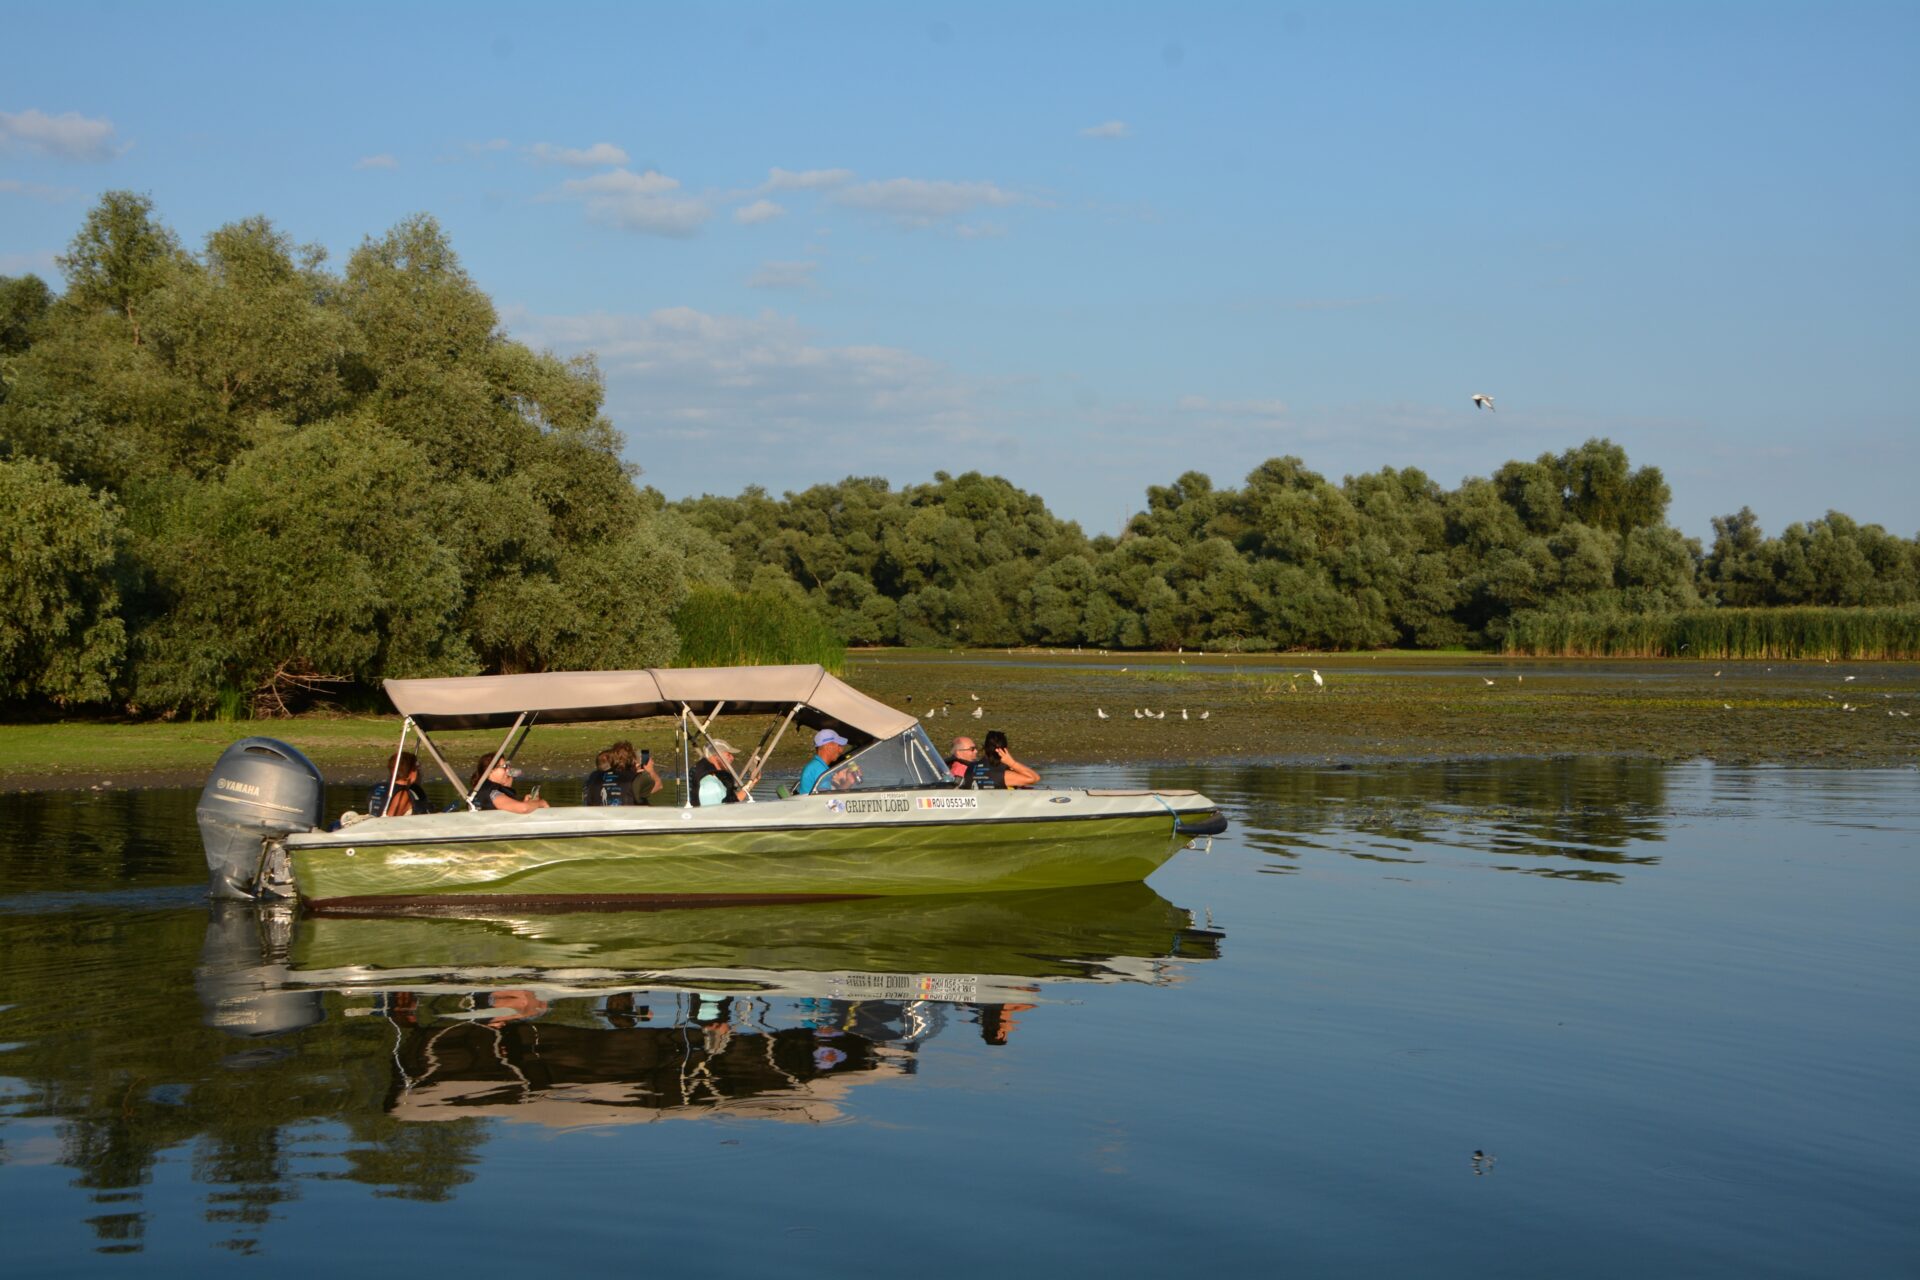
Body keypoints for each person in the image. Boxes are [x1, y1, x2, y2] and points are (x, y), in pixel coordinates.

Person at [957, 730, 1040, 789]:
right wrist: (1012, 763)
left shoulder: (970, 768)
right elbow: (1034, 778)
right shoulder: (1003, 775)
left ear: (985, 748)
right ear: (1004, 750)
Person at [470, 754, 549, 813]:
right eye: (504, 766)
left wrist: (528, 803)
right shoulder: (493, 793)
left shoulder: (484, 790)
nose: (508, 769)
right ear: (490, 771)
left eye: (508, 766)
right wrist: (540, 803)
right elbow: (523, 809)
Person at [368, 750, 429, 817]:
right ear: (411, 772)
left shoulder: (379, 788)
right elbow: (389, 822)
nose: (419, 772)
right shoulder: (403, 795)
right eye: (417, 768)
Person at [690, 739, 748, 805]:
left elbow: (732, 801)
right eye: (728, 755)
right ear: (716, 756)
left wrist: (752, 781)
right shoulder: (710, 785)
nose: (732, 758)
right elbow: (714, 814)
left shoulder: (715, 777)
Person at [796, 729, 850, 796]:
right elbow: (827, 800)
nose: (841, 750)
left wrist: (849, 782)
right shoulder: (821, 770)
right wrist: (844, 782)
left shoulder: (816, 765)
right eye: (839, 746)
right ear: (829, 747)